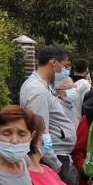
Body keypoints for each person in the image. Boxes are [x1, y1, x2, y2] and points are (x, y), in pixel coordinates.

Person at [20, 45, 72, 177]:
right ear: (53, 62)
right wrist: (56, 165)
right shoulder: (38, 91)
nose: (67, 71)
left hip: (55, 157)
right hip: (53, 160)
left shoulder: (43, 86)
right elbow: (40, 133)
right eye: (65, 66)